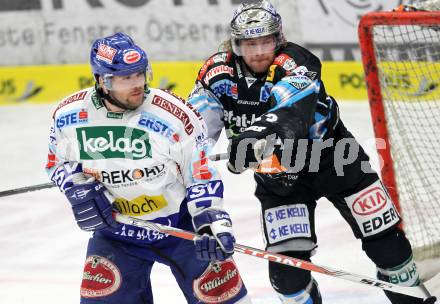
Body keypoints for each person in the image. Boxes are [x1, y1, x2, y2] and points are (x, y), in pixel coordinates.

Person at [188, 1, 437, 304]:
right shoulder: (218, 74)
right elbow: (195, 130)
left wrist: (253, 137)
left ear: (278, 39)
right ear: (235, 45)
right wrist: (179, 154)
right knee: (288, 278)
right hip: (279, 179)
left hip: (337, 161)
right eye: (248, 44)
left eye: (265, 41)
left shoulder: (298, 62)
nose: (257, 52)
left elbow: (290, 113)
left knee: (390, 249)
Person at [45, 32, 252, 304]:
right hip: (117, 232)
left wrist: (211, 218)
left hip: (180, 227)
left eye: (140, 74)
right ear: (101, 81)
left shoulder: (175, 114)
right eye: (125, 78)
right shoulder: (69, 116)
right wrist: (76, 187)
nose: (137, 84)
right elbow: (56, 163)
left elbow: (199, 174)